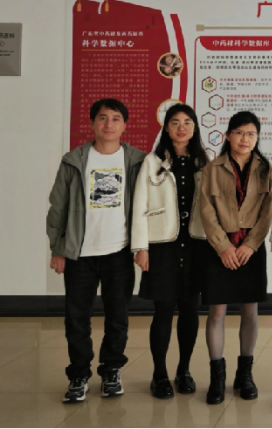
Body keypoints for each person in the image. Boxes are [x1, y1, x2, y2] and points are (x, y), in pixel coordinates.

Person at [46, 99, 146, 403]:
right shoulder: (74, 160)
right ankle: (78, 375)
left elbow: (146, 208)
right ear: (92, 123)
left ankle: (111, 370)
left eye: (115, 118)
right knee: (76, 318)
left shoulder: (137, 161)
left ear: (124, 125)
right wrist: (58, 249)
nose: (109, 124)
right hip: (80, 254)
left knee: (118, 317)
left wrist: (143, 247)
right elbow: (58, 207)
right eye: (102, 118)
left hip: (119, 253)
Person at [131, 104, 208, 399]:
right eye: (175, 122)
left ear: (195, 128)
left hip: (196, 245)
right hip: (162, 246)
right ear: (166, 128)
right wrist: (141, 248)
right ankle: (159, 374)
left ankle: (183, 370)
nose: (181, 128)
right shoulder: (153, 162)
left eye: (187, 122)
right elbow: (140, 205)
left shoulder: (205, 162)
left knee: (190, 310)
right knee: (163, 310)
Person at [199, 111, 272, 405]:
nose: (245, 139)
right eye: (240, 133)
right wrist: (223, 247)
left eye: (251, 134)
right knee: (217, 314)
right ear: (229, 135)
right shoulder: (212, 169)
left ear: (257, 138)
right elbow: (206, 210)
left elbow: (268, 212)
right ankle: (217, 378)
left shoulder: (266, 169)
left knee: (250, 312)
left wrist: (251, 245)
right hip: (219, 249)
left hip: (250, 251)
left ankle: (245, 375)